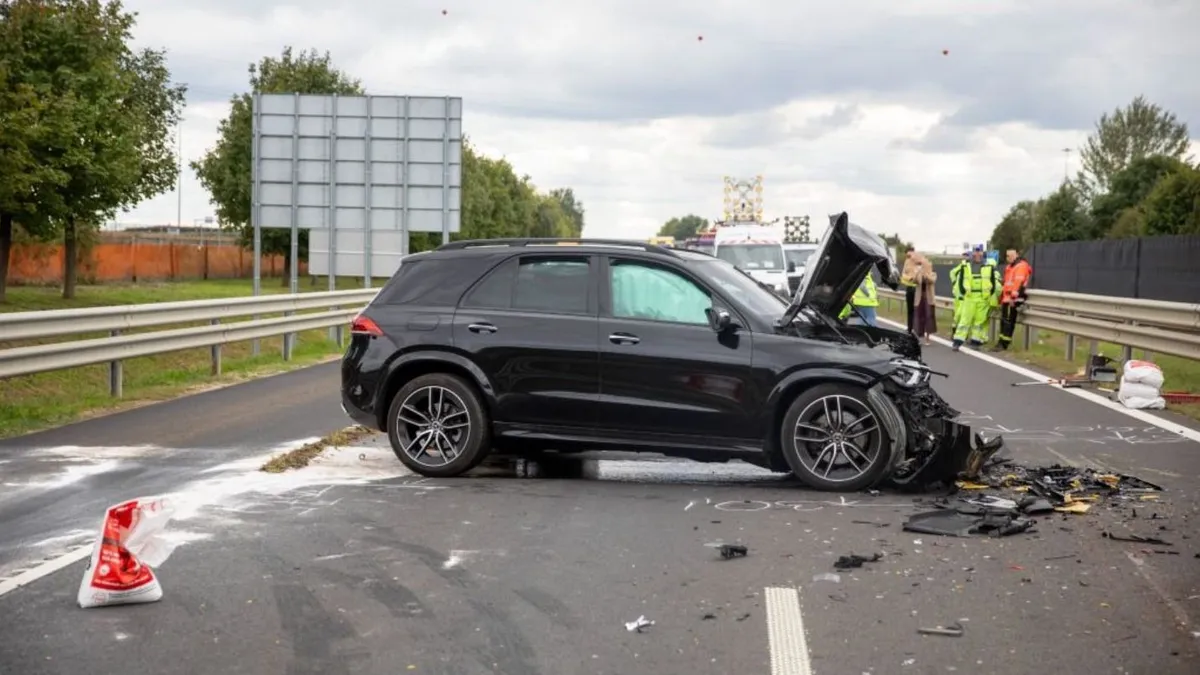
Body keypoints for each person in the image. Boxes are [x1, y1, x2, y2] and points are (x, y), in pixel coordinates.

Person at [951, 246, 1001, 351]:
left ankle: (975, 342)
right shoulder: (966, 266)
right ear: (972, 253)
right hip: (970, 296)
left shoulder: (988, 266)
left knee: (979, 321)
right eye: (976, 252)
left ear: (982, 253)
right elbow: (961, 281)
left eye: (979, 252)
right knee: (965, 320)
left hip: (983, 297)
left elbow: (992, 280)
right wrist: (964, 292)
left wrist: (988, 294)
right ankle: (957, 341)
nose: (977, 254)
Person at [993, 248, 1032, 351]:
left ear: (1016, 255)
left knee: (1008, 322)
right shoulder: (1009, 267)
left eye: (1010, 256)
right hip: (1006, 298)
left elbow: (1018, 282)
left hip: (1013, 299)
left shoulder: (1021, 266)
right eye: (1007, 256)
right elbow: (1006, 283)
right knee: (1004, 321)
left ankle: (1004, 344)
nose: (1008, 258)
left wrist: (1013, 298)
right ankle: (1001, 342)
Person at [911, 253, 938, 345]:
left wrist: (926, 273)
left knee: (928, 318)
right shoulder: (919, 273)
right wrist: (919, 271)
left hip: (928, 300)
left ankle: (928, 338)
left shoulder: (933, 274)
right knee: (919, 318)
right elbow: (914, 281)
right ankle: (918, 338)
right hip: (919, 299)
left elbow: (931, 280)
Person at [899, 248, 919, 331]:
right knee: (910, 310)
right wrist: (909, 278)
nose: (909, 257)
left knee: (917, 310)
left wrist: (916, 278)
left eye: (910, 255)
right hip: (909, 289)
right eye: (907, 255)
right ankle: (910, 328)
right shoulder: (907, 263)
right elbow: (903, 275)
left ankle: (917, 328)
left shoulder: (919, 262)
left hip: (918, 289)